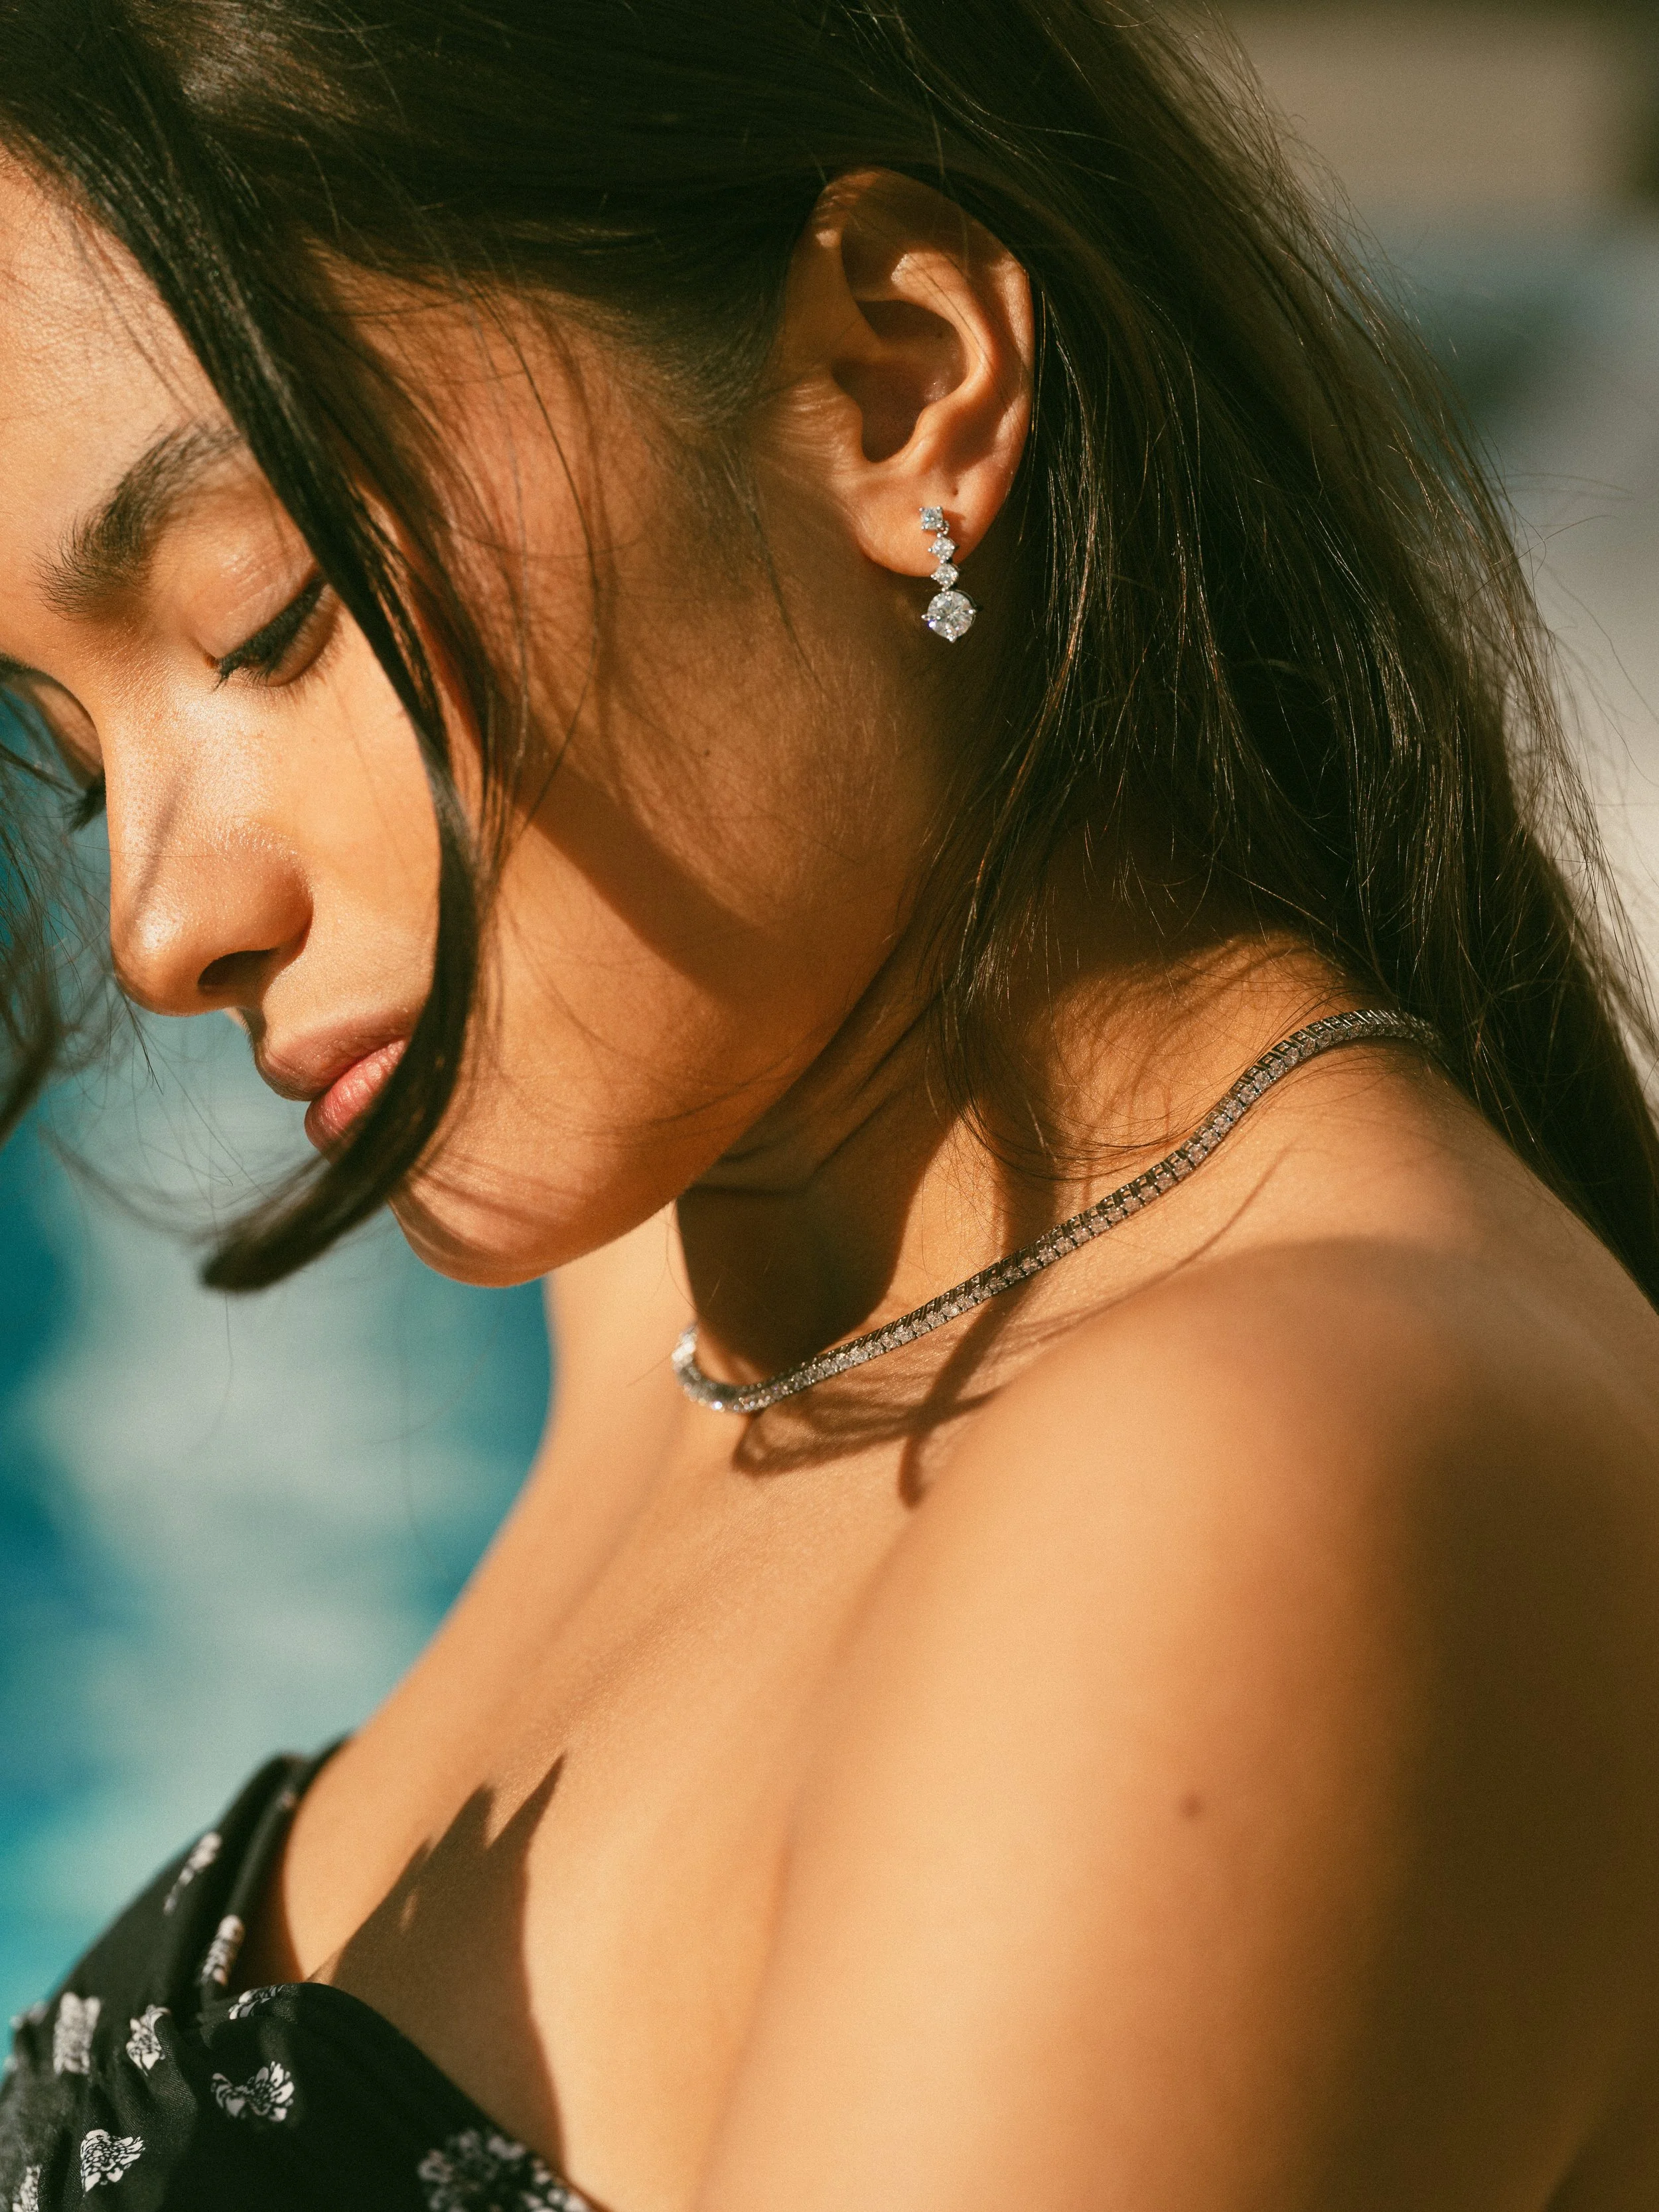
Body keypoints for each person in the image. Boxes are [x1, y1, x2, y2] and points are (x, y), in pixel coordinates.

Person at [0, 1, 1657, 2205]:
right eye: (70, 758)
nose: (159, 922)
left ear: (894, 384)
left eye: (267, 618)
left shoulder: (1245, 1472)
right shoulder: (694, 1290)